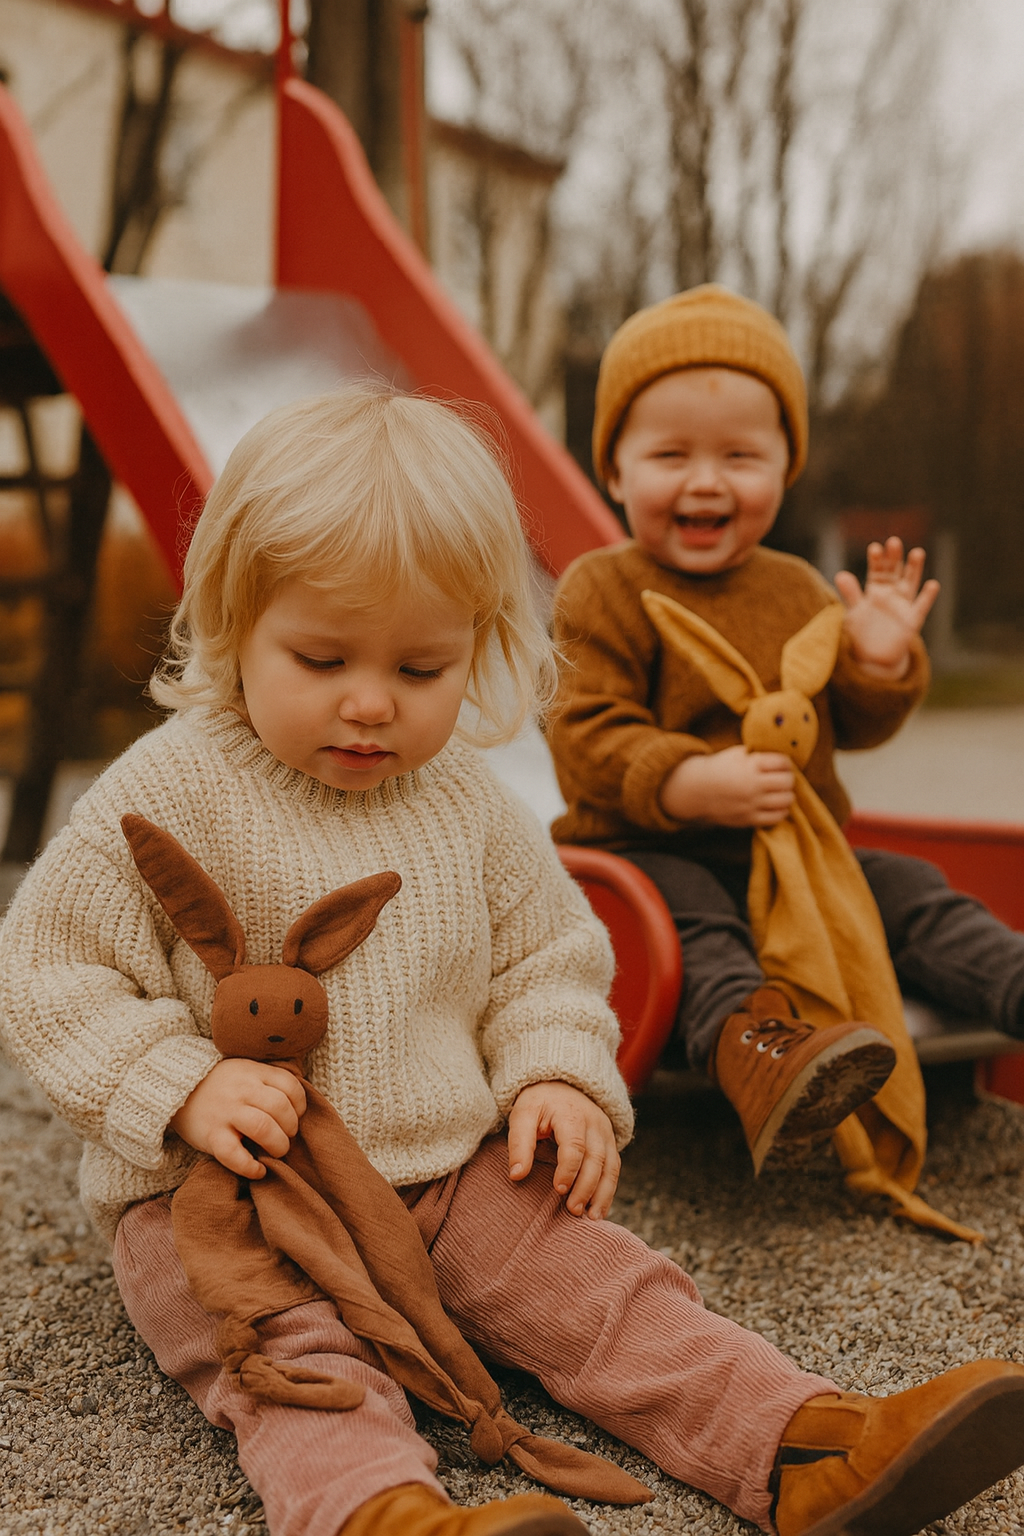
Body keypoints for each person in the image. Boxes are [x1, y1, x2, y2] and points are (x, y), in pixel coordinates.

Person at [1, 384, 1023, 1536]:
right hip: (238, 1199)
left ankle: (803, 1447)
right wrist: (177, 1085)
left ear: (479, 648)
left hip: (446, 1174)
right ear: (235, 619)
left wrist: (554, 1077)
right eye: (322, 656)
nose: (371, 703)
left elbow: (546, 958)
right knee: (291, 1357)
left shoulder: (468, 808)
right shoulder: (169, 789)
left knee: (603, 1288)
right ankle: (383, 1512)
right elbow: (46, 969)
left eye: (423, 670)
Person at [548, 283, 1024, 1194]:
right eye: (669, 454)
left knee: (910, 890)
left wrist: (878, 666)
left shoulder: (800, 586)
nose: (706, 480)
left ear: (785, 467)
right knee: (697, 923)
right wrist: (687, 782)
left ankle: (1009, 978)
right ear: (614, 472)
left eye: (740, 455)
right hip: (650, 851)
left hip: (797, 859)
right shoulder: (600, 589)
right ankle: (762, 1057)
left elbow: (845, 721)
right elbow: (584, 734)